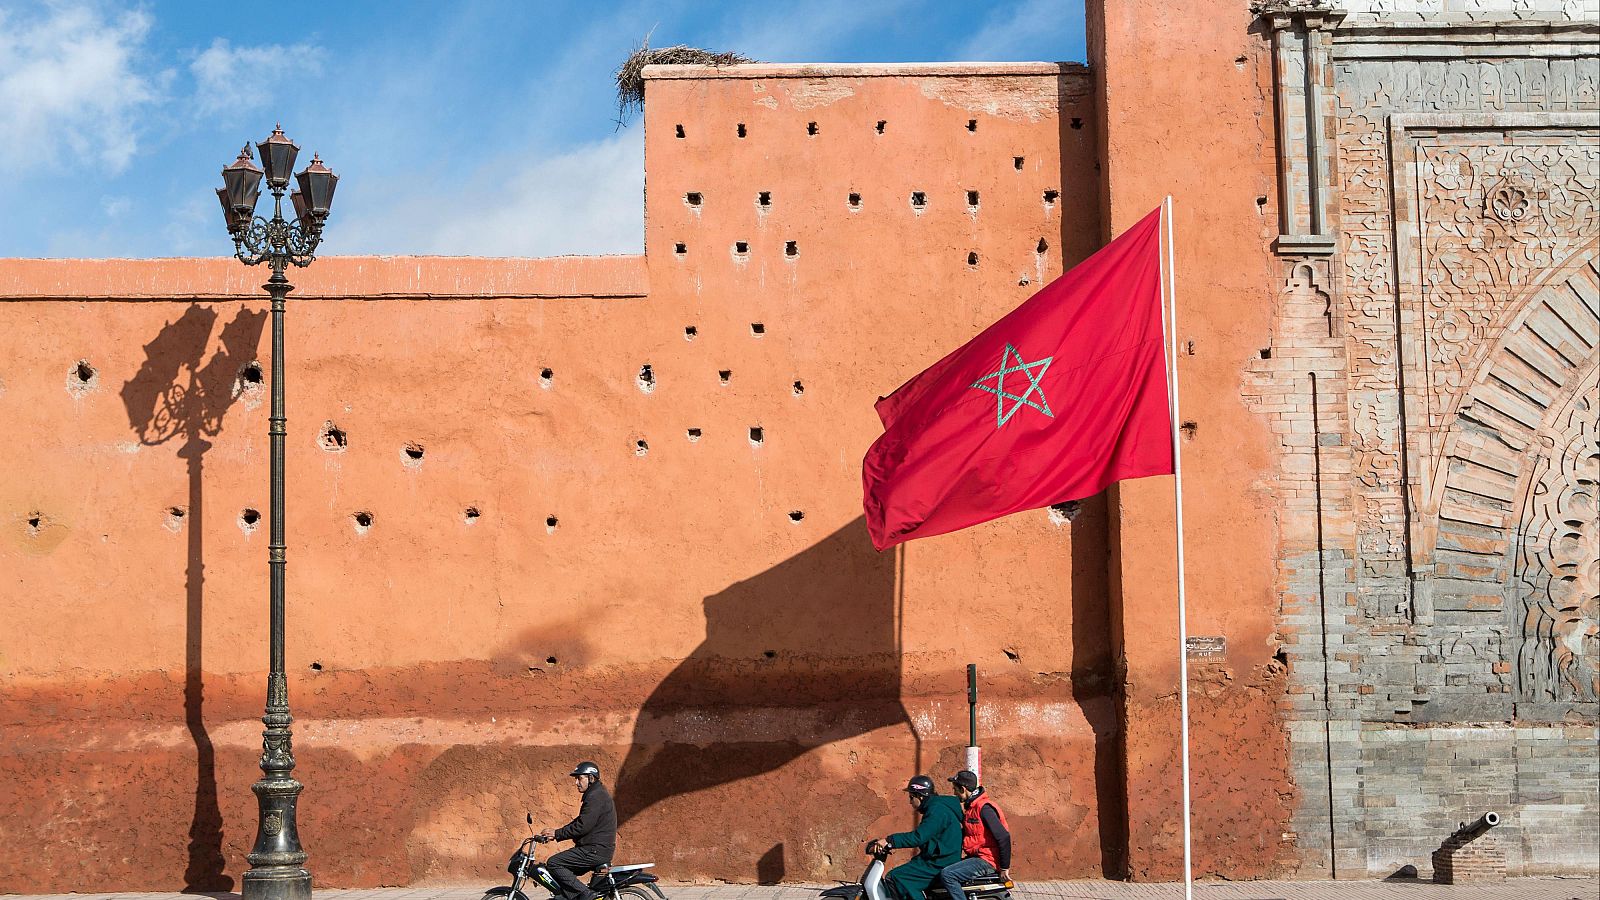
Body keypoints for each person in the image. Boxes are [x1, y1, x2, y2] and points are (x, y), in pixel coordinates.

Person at [867, 775, 964, 900]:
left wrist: (889, 841)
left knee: (896, 877)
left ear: (920, 796)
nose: (910, 802)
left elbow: (918, 837)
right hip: (937, 858)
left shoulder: (937, 811)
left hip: (940, 862)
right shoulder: (938, 807)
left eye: (911, 797)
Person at [539, 761, 618, 900]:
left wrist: (557, 834)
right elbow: (581, 821)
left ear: (591, 778)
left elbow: (582, 826)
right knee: (564, 879)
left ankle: (587, 895)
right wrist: (556, 833)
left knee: (554, 863)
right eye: (576, 779)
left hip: (594, 850)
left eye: (580, 778)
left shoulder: (595, 796)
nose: (576, 782)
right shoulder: (596, 794)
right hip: (596, 849)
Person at [937, 770, 1011, 899]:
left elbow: (1004, 837)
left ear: (963, 789)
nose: (954, 793)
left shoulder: (984, 808)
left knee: (948, 875)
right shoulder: (971, 807)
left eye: (955, 789)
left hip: (987, 860)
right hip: (978, 857)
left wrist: (1004, 868)